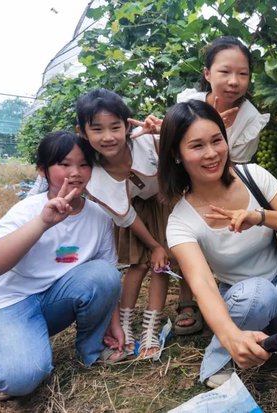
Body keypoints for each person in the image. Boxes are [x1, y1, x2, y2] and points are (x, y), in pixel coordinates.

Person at [158, 100, 277, 389]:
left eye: (216, 140)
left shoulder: (253, 177)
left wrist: (260, 217)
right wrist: (231, 337)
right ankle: (220, 355)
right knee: (257, 294)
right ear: (176, 154)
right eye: (197, 146)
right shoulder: (181, 221)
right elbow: (203, 285)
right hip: (242, 302)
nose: (212, 154)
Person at [0, 131, 125, 402]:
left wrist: (112, 325)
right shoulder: (28, 211)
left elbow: (107, 274)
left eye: (83, 164)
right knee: (21, 378)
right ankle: (4, 356)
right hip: (8, 303)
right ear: (43, 170)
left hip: (53, 301)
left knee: (104, 273)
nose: (76, 173)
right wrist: (44, 222)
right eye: (64, 164)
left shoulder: (99, 218)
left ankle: (90, 349)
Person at [75, 89, 201, 358]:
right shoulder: (94, 175)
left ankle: (154, 326)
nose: (108, 137)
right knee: (140, 263)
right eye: (97, 129)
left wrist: (165, 131)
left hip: (166, 200)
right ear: (83, 132)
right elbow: (125, 216)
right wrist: (154, 245)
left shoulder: (148, 141)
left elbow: (182, 152)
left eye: (115, 127)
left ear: (127, 124)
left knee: (167, 262)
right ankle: (125, 324)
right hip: (134, 212)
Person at [176, 36, 270, 163]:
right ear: (207, 74)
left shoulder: (250, 120)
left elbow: (233, 170)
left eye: (243, 74)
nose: (234, 82)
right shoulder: (189, 103)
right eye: (225, 71)